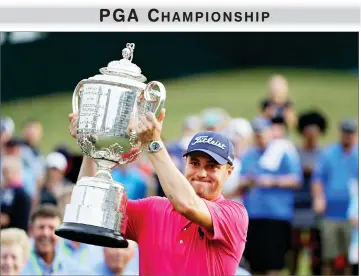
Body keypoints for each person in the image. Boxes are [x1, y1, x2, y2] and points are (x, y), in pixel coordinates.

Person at [68, 109, 248, 275]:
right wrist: (91, 151)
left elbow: (188, 205)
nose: (201, 173)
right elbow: (91, 208)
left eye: (212, 166)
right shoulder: (153, 208)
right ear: (185, 165)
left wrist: (153, 144)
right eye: (194, 163)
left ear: (229, 172)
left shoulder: (234, 214)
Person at [240, 117, 301, 276]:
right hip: (253, 215)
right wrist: (248, 181)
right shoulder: (249, 155)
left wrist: (272, 181)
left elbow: (295, 179)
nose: (259, 137)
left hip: (276, 215)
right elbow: (242, 178)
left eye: (262, 133)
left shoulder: (282, 152)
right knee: (254, 264)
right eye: (256, 134)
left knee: (274, 264)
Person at [312, 119, 358, 276]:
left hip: (352, 215)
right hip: (330, 213)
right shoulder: (329, 153)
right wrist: (319, 198)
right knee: (329, 257)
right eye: (345, 133)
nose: (348, 136)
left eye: (351, 133)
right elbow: (318, 179)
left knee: (349, 258)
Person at [291, 110, 327, 275]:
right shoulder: (294, 152)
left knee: (316, 250)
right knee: (294, 249)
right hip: (296, 206)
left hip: (316, 208)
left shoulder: (324, 154)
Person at [22, 204, 94, 275]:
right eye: (41, 227)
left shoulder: (69, 266)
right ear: (31, 230)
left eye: (51, 228)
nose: (46, 233)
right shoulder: (18, 263)